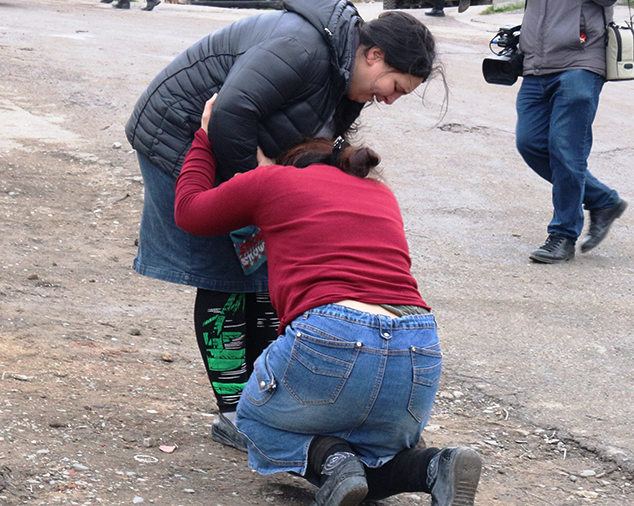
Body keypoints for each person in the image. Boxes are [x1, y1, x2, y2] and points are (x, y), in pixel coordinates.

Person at [125, 0, 439, 451]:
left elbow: (314, 140)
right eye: (395, 87)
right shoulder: (303, 47)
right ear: (374, 56)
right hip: (184, 133)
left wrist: (273, 187)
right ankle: (236, 410)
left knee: (265, 270)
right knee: (224, 272)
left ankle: (265, 395)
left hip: (245, 149)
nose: (389, 100)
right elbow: (230, 113)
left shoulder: (346, 74)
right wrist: (263, 186)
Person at [174, 94, 482, 506]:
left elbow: (189, 211)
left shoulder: (271, 182)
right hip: (417, 345)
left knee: (250, 420)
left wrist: (205, 138)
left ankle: (333, 462)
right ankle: (433, 465)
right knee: (375, 445)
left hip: (332, 333)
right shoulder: (378, 192)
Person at [516, 0, 627, 264]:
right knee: (529, 143)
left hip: (580, 61)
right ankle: (602, 200)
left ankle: (563, 236)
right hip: (536, 64)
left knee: (565, 149)